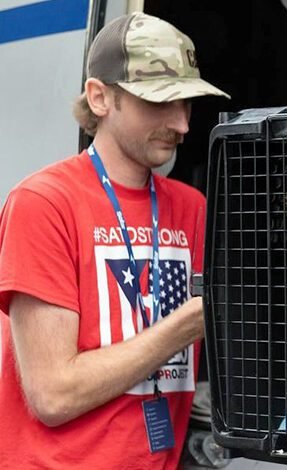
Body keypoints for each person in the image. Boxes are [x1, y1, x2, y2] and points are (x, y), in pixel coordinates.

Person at [0, 12, 229, 468]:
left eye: (186, 104)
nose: (182, 125)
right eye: (160, 102)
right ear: (100, 97)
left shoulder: (193, 208)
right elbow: (52, 394)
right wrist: (185, 325)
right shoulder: (43, 202)